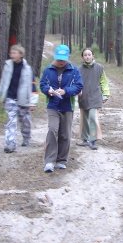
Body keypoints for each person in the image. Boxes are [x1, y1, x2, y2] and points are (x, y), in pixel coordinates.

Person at [39, 44, 83, 173]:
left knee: (65, 134)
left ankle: (61, 160)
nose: (60, 62)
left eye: (63, 59)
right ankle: (49, 161)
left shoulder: (74, 70)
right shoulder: (48, 70)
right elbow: (42, 84)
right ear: (55, 57)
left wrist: (65, 91)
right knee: (52, 130)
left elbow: (79, 86)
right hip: (52, 105)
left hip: (67, 106)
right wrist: (49, 91)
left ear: (67, 58)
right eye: (59, 59)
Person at [0, 44, 38, 153]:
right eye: (11, 53)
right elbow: (3, 82)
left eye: (14, 53)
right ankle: (10, 144)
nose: (11, 55)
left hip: (24, 100)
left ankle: (26, 137)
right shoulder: (7, 66)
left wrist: (33, 102)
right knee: (10, 122)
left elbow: (33, 86)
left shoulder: (27, 69)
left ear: (21, 55)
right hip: (10, 98)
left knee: (25, 121)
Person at [77, 48, 110, 150]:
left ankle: (93, 140)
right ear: (82, 57)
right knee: (84, 118)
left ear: (93, 56)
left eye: (89, 54)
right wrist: (77, 90)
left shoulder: (99, 68)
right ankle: (85, 139)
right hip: (83, 97)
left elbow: (104, 82)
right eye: (85, 55)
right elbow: (76, 82)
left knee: (92, 117)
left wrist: (106, 94)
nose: (87, 56)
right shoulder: (79, 69)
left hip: (95, 97)